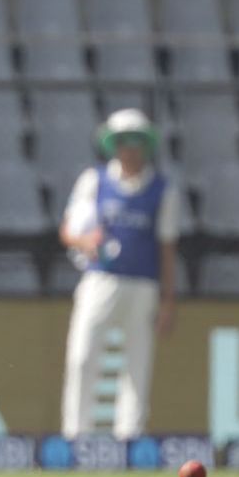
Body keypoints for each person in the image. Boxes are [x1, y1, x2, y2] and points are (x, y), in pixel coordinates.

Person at [59, 108, 179, 440]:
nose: (130, 149)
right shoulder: (94, 180)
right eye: (123, 142)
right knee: (83, 356)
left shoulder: (163, 190)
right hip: (100, 280)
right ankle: (75, 436)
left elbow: (166, 247)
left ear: (146, 146)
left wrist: (168, 301)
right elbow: (68, 232)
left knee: (136, 363)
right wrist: (85, 241)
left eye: (137, 142)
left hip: (143, 284)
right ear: (113, 145)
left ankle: (130, 437)